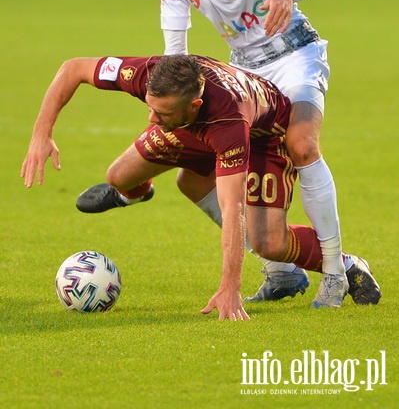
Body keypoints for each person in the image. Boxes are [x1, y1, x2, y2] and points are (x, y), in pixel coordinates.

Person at [135, 0, 380, 307]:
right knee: (192, 178)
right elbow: (175, 51)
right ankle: (280, 272)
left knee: (302, 145)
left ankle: (335, 272)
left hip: (295, 55)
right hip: (245, 74)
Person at [22, 54, 380, 319]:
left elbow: (232, 208)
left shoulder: (228, 123)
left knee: (267, 240)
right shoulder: (148, 74)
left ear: (192, 106)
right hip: (192, 128)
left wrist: (229, 288)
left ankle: (345, 264)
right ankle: (137, 194)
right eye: (150, 107)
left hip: (262, 136)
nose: (151, 119)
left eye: (160, 114)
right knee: (119, 175)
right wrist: (41, 133)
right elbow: (73, 69)